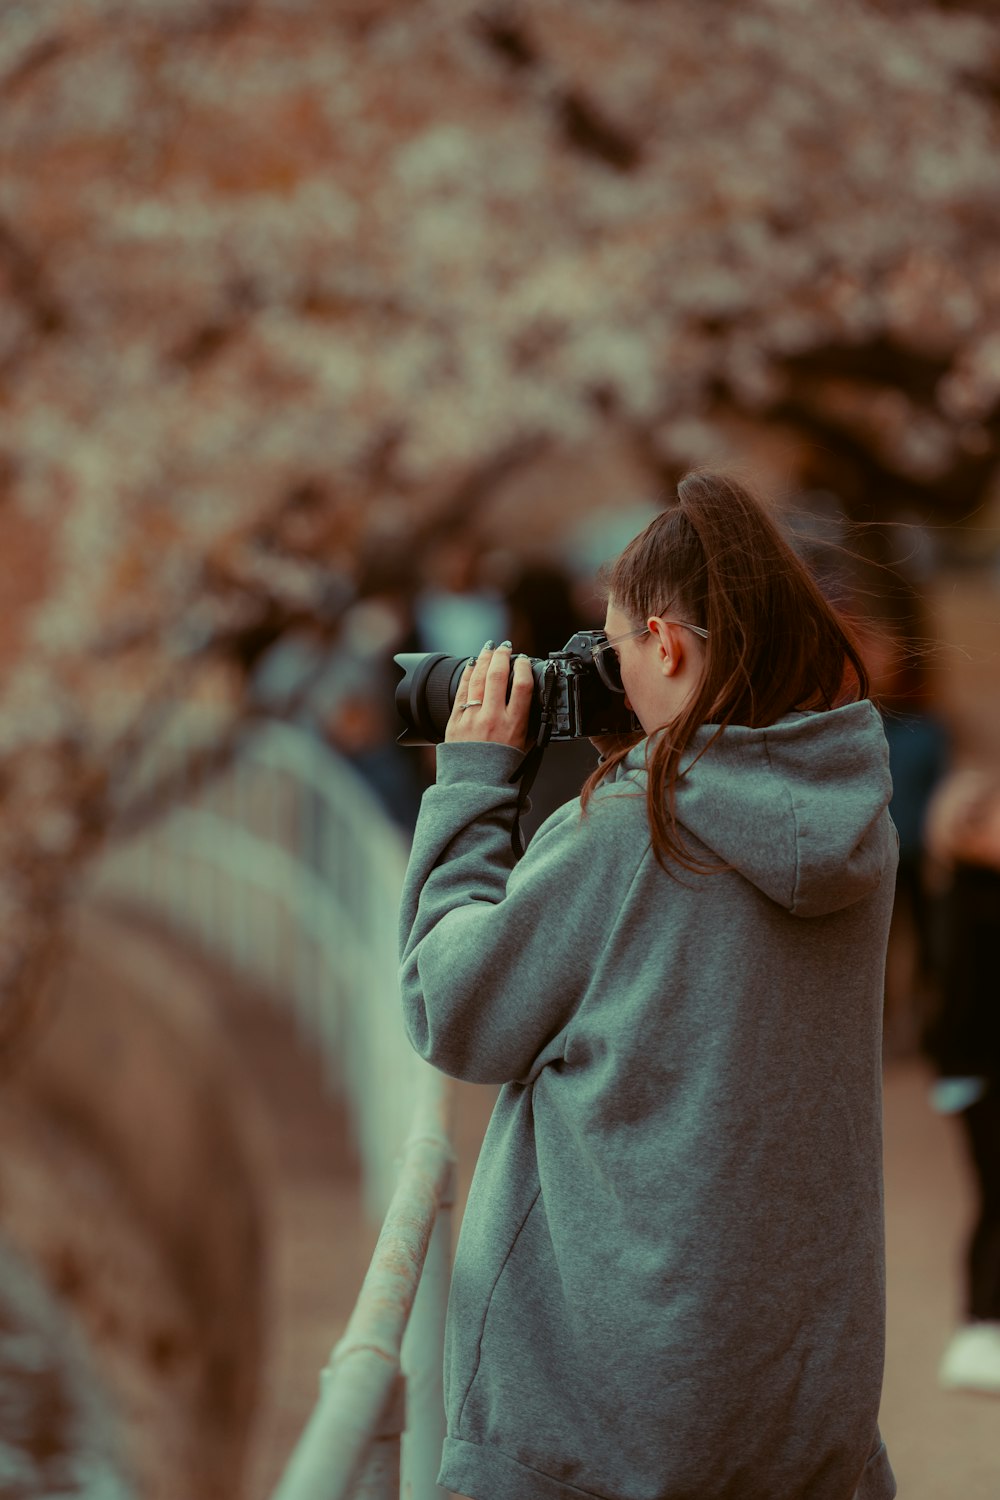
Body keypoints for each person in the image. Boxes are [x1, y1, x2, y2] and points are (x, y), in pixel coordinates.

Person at [398, 471, 898, 1500]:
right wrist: (649, 751)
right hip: (792, 1413)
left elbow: (454, 1012)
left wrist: (472, 783)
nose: (608, 669)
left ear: (665, 644)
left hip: (592, 1413)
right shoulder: (857, 820)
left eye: (616, 646)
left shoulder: (633, 826)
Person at [921, 769, 1000, 1393]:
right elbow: (956, 1002)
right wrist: (957, 1072)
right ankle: (980, 1325)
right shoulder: (967, 898)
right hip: (981, 1073)